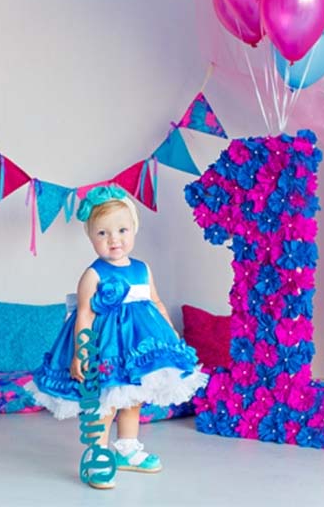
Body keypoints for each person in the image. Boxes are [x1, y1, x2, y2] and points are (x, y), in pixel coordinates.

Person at [27, 185, 208, 489]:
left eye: (122, 230)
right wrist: (81, 352)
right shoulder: (93, 274)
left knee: (132, 399)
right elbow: (84, 315)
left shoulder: (142, 269)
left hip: (138, 348)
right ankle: (97, 455)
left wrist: (172, 336)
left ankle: (127, 449)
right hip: (106, 348)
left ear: (134, 228)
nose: (114, 239)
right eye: (103, 233)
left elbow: (156, 303)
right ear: (90, 237)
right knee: (106, 402)